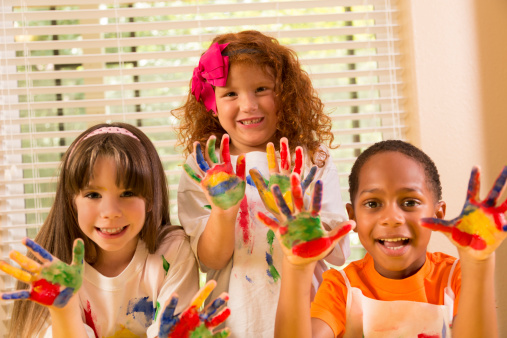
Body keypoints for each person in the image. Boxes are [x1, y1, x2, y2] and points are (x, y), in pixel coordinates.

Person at [173, 30, 350, 337]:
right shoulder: (204, 167)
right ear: (211, 102)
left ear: (286, 93)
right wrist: (223, 211)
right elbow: (209, 259)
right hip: (234, 322)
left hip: (308, 318)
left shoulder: (311, 159)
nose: (249, 105)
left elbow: (337, 251)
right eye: (230, 93)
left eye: (261, 89)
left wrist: (302, 221)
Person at [270, 139, 505, 337]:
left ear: (438, 213)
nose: (391, 218)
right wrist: (297, 268)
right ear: (353, 217)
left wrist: (478, 263)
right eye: (372, 204)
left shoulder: (456, 277)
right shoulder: (342, 287)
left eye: (410, 202)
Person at [2, 122, 199, 338]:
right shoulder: (54, 268)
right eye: (93, 195)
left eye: (127, 193)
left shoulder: (171, 251)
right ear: (71, 202)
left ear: (150, 199)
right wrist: (64, 309)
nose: (110, 212)